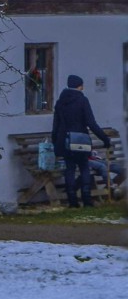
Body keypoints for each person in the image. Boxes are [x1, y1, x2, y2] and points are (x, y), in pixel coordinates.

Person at [52, 74, 111, 208]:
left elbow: (56, 125)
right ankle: (87, 199)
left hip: (65, 142)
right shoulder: (82, 100)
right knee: (84, 168)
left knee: (70, 170)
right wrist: (105, 139)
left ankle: (72, 201)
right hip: (81, 141)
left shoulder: (60, 102)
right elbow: (91, 123)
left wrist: (55, 142)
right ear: (79, 86)